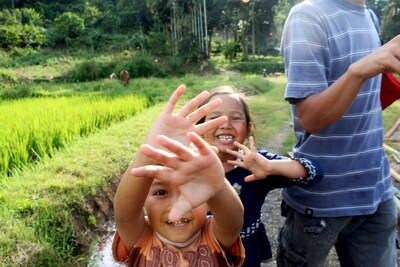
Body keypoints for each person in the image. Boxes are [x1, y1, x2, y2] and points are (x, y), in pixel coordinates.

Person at [279, 0, 400, 266]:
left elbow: (365, 103)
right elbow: (311, 118)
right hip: (322, 197)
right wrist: (357, 72)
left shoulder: (369, 15)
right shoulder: (307, 15)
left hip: (377, 190)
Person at [112, 85, 245, 266]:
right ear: (143, 203)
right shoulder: (139, 238)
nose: (177, 206)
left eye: (191, 190)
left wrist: (217, 184)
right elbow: (124, 214)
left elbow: (234, 220)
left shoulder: (214, 237)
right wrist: (149, 153)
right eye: (160, 193)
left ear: (208, 202)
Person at [197, 86, 324, 266]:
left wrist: (271, 167)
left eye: (235, 118)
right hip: (198, 252)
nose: (225, 124)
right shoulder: (188, 164)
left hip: (247, 252)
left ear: (248, 128)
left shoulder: (257, 164)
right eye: (215, 118)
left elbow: (314, 173)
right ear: (200, 127)